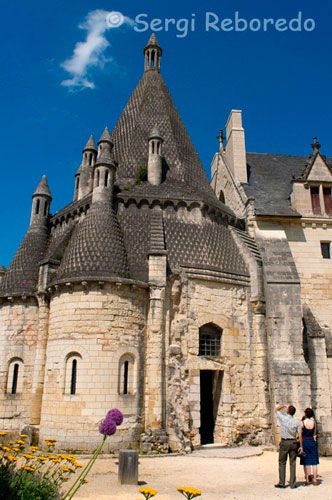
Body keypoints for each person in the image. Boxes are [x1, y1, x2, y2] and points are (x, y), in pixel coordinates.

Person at [274, 404, 301, 489]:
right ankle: (292, 484)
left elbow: (276, 410)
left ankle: (282, 482)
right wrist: (301, 446)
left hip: (285, 442)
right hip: (293, 442)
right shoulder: (297, 422)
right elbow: (300, 435)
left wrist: (284, 405)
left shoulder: (283, 418)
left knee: (282, 462)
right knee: (292, 463)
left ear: (287, 411)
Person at [299, 408, 319, 485]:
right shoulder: (314, 423)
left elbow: (300, 434)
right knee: (314, 462)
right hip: (312, 441)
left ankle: (307, 479)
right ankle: (315, 480)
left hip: (305, 441)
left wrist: (300, 445)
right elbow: (314, 433)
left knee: (306, 461)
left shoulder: (302, 423)